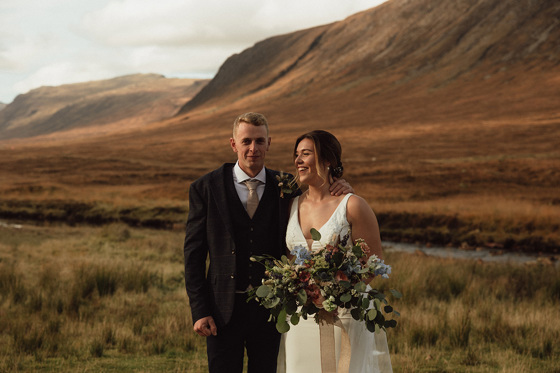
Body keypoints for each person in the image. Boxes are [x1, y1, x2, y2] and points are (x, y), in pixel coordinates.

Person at [183, 113, 352, 373]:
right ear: (233, 144)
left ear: (269, 143)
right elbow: (193, 256)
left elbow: (319, 199)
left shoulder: (287, 186)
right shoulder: (205, 187)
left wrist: (338, 185)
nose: (253, 149)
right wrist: (200, 310)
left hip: (273, 309)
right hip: (221, 309)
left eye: (260, 141)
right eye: (246, 141)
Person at [279, 130, 393, 373]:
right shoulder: (291, 204)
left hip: (346, 312)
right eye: (296, 154)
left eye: (306, 154)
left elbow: (373, 262)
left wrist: (334, 292)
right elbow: (290, 260)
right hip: (302, 314)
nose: (298, 160)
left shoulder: (352, 205)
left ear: (328, 160)